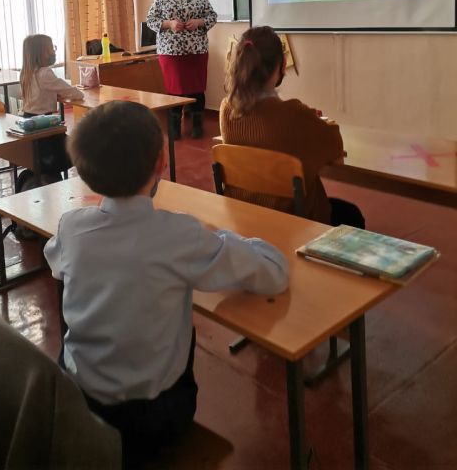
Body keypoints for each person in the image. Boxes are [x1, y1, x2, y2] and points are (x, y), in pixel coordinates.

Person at [43, 100, 288, 468]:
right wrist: (227, 238)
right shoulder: (180, 235)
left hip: (78, 398)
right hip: (154, 419)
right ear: (161, 163)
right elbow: (273, 273)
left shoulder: (71, 227)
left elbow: (55, 263)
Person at [220, 26, 365, 227]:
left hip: (245, 218)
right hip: (293, 222)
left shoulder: (226, 110)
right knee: (352, 215)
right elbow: (334, 146)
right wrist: (311, 119)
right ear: (282, 66)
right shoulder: (293, 114)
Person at [146, 0, 217, 139]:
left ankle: (197, 126)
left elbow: (212, 16)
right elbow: (151, 20)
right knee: (174, 90)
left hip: (197, 50)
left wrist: (199, 22)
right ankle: (174, 128)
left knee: (197, 88)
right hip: (170, 52)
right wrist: (169, 24)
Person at [19, 34, 84, 185]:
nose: (53, 52)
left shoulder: (26, 72)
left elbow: (46, 91)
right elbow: (74, 93)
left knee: (43, 158)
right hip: (44, 124)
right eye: (49, 49)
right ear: (38, 53)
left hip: (30, 120)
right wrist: (78, 91)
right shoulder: (45, 73)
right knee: (76, 147)